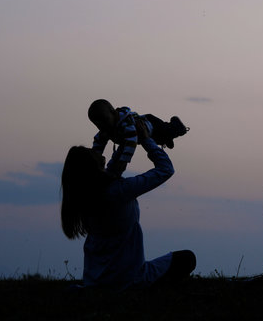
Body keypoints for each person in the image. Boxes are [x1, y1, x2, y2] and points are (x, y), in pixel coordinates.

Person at [61, 121, 195, 290]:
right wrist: (146, 140)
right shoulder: (119, 191)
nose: (99, 154)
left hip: (94, 281)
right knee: (187, 259)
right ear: (94, 166)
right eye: (94, 154)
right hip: (129, 280)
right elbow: (165, 169)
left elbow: (112, 170)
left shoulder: (85, 197)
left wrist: (126, 140)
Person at [88, 99, 189, 176]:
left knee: (166, 130)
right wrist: (93, 160)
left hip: (151, 124)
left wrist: (124, 161)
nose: (103, 125)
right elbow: (97, 146)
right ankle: (166, 139)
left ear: (113, 113)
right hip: (148, 133)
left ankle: (177, 127)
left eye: (105, 120)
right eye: (98, 124)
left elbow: (131, 143)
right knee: (158, 138)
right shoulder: (105, 130)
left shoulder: (126, 125)